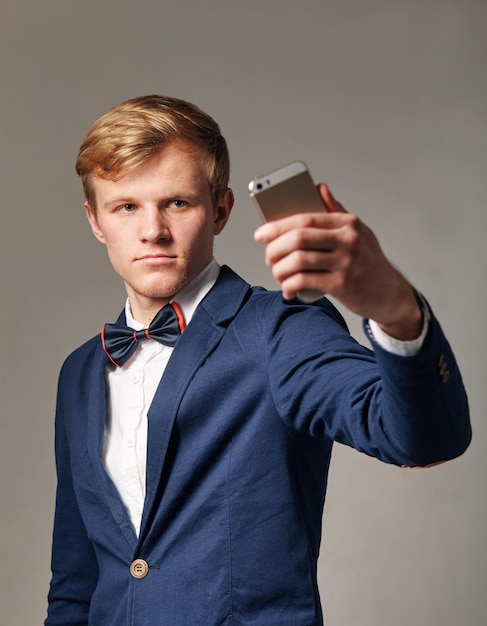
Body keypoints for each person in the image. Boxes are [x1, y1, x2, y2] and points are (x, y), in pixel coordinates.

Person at [45, 94, 470, 626]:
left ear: (220, 210)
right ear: (95, 220)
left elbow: (424, 439)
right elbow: (75, 580)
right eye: (126, 206)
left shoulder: (280, 330)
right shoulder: (79, 374)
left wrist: (392, 306)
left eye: (177, 202)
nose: (152, 230)